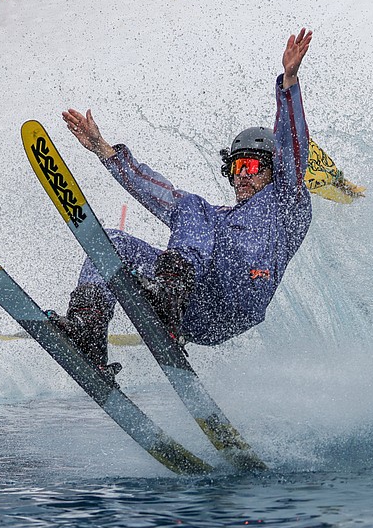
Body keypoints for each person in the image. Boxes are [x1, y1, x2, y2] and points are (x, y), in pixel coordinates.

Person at [53, 30, 315, 375]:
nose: (242, 176)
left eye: (251, 166)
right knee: (112, 243)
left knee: (192, 208)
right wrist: (104, 150)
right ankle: (88, 329)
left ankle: (168, 291)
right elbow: (158, 192)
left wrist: (289, 84)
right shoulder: (213, 218)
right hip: (191, 305)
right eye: (236, 167)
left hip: (235, 302)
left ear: (272, 169)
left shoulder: (286, 204)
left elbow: (292, 146)